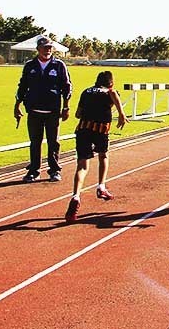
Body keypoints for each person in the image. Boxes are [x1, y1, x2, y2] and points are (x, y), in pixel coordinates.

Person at [64, 71, 128, 223]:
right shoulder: (110, 91)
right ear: (111, 82)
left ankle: (76, 195)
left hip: (83, 128)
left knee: (82, 166)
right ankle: (101, 186)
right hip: (100, 129)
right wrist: (121, 113)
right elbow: (113, 94)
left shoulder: (86, 91)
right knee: (103, 155)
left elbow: (78, 114)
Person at [14, 37, 72, 182]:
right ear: (38, 49)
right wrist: (17, 105)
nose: (48, 50)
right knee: (35, 142)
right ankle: (34, 170)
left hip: (52, 110)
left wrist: (66, 106)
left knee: (54, 142)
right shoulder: (30, 65)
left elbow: (67, 87)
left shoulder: (59, 65)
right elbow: (22, 86)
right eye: (45, 48)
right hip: (34, 110)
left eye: (50, 48)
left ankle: (54, 170)